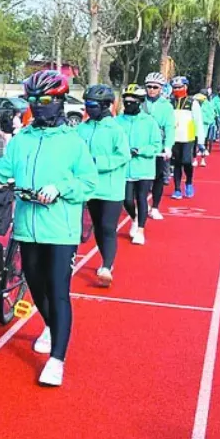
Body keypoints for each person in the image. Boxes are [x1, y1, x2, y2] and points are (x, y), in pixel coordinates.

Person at [0, 69, 97, 386]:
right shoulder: (22, 139)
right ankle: (50, 325)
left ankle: (57, 359)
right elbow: (1, 170)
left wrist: (60, 188)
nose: (39, 106)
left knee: (57, 290)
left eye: (46, 100)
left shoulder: (74, 141)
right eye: (34, 100)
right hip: (26, 228)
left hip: (60, 230)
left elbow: (88, 181)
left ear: (60, 101)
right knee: (35, 286)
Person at [77, 84, 130, 286]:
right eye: (87, 105)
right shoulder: (82, 128)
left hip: (111, 188)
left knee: (108, 226)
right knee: (98, 227)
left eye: (92, 105)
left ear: (105, 105)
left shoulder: (116, 129)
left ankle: (107, 266)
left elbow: (123, 155)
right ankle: (105, 258)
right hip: (89, 188)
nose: (88, 109)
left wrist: (97, 162)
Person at [117, 84, 162, 246]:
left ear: (140, 102)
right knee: (127, 200)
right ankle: (135, 218)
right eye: (126, 101)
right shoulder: (117, 122)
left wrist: (141, 150)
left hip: (144, 168)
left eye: (133, 101)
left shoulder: (149, 122)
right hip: (124, 169)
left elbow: (156, 145)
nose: (129, 103)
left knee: (141, 198)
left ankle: (141, 230)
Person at [143, 72, 174, 221]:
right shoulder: (140, 102)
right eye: (149, 87)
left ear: (161, 88)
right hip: (141, 145)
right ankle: (141, 204)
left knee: (158, 178)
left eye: (155, 87)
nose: (152, 90)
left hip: (158, 146)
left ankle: (155, 207)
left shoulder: (166, 106)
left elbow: (169, 127)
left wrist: (168, 146)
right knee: (141, 179)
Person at [170, 76, 203, 199]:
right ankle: (177, 189)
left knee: (186, 161)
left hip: (188, 137)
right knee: (177, 164)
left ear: (185, 87)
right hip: (174, 137)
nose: (177, 90)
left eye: (179, 87)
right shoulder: (169, 102)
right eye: (175, 88)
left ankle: (189, 182)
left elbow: (198, 122)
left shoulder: (192, 102)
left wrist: (200, 141)